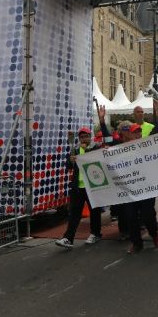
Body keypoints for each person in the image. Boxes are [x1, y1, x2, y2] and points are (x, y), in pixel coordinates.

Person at [55, 106, 107, 249]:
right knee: (74, 214)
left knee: (95, 211)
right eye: (82, 137)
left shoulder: (96, 148)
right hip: (78, 187)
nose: (84, 139)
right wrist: (71, 161)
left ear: (90, 137)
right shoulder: (76, 150)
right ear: (79, 139)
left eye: (86, 136)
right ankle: (68, 238)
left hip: (93, 186)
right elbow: (68, 166)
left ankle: (95, 233)